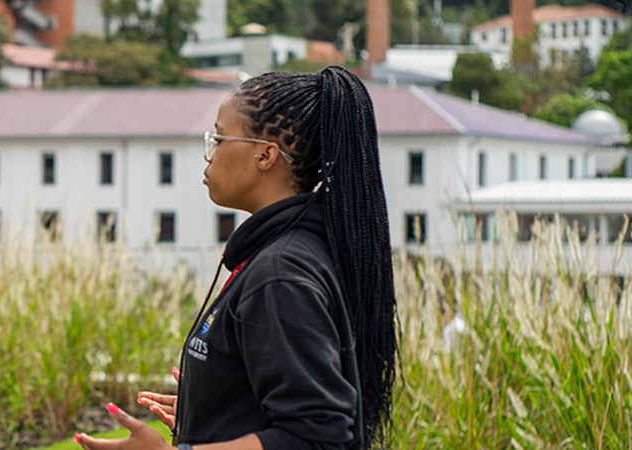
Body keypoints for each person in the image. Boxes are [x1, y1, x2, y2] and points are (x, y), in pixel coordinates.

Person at [76, 66, 397, 450]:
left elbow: (317, 436)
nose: (209, 155)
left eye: (219, 138)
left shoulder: (281, 273)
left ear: (265, 155)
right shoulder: (284, 253)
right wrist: (214, 412)